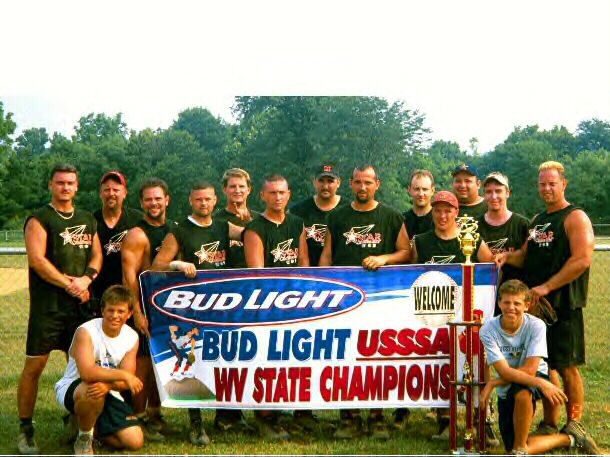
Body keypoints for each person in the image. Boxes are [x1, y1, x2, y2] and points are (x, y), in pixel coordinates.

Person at [496, 161, 597, 445]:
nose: (547, 188)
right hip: (537, 307)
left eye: (552, 183)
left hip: (562, 304)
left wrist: (548, 286)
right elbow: (525, 256)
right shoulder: (538, 220)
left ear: (564, 184)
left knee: (567, 366)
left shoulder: (575, 216)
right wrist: (507, 257)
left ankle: (575, 423)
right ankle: (551, 423)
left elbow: (582, 259)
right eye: (542, 184)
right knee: (547, 364)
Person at [152, 181, 250, 442]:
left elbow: (251, 235)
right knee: (192, 362)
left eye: (207, 199)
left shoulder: (222, 226)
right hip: (192, 307)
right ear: (191, 201)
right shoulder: (180, 230)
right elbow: (157, 265)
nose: (203, 203)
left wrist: (249, 220)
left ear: (215, 200)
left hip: (222, 305)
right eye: (198, 199)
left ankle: (227, 416)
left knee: (224, 358)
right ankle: (195, 423)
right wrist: (177, 264)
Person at [319, 164, 410, 440]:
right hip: (344, 298)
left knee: (377, 356)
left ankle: (377, 416)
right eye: (358, 182)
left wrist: (384, 258)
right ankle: (349, 416)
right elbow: (327, 255)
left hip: (380, 298)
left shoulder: (391, 216)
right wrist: (322, 285)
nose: (362, 187)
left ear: (377, 184)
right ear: (350, 183)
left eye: (368, 182)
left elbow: (406, 251)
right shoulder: (338, 216)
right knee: (345, 356)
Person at [17, 163, 103, 455]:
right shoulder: (40, 218)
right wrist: (70, 285)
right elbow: (37, 260)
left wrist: (87, 279)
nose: (65, 187)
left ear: (77, 186)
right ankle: (26, 429)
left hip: (79, 308)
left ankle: (76, 421)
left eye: (70, 183)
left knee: (80, 364)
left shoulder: (86, 218)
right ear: (51, 185)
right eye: (60, 182)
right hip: (49, 307)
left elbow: (97, 255)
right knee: (34, 367)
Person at [479, 279, 599, 455]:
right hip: (511, 381)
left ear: (527, 306)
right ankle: (570, 438)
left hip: (535, 374)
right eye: (506, 302)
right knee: (511, 444)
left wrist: (494, 383)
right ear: (499, 303)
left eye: (517, 303)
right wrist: (497, 383)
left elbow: (530, 370)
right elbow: (504, 371)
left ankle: (520, 451)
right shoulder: (488, 330)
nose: (511, 307)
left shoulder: (536, 325)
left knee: (522, 392)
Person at [411, 190, 493, 440]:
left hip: (469, 311)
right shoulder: (421, 241)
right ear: (432, 213)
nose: (442, 215)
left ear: (457, 212)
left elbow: (490, 270)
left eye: (448, 210)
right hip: (435, 312)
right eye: (438, 210)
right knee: (441, 362)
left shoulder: (472, 239)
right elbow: (412, 275)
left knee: (477, 361)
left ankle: (482, 417)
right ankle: (445, 419)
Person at [243, 174, 309, 440]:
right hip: (267, 304)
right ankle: (264, 417)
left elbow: (304, 263)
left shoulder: (297, 224)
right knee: (266, 361)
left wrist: (301, 296)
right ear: (262, 195)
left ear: (289, 194)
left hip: (295, 301)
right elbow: (257, 274)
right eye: (272, 193)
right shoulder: (255, 229)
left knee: (289, 361)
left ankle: (284, 414)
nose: (278, 197)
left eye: (282, 192)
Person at [54, 285, 144, 455]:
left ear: (130, 313)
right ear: (102, 310)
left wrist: (108, 386)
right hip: (76, 387)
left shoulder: (132, 337)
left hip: (108, 390)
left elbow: (127, 382)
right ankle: (84, 439)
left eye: (121, 311)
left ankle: (86, 426)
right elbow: (87, 373)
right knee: (92, 389)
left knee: (134, 441)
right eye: (110, 310)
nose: (115, 315)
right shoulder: (85, 332)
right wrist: (123, 375)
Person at [121, 178, 173, 442]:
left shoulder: (174, 230)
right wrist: (137, 312)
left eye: (158, 198)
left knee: (159, 365)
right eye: (148, 199)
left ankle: (154, 414)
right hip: (144, 308)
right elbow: (129, 277)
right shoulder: (136, 235)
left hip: (167, 308)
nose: (154, 203)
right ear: (141, 203)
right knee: (141, 366)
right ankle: (136, 417)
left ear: (167, 200)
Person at [393, 169, 436, 429]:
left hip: (434, 290)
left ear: (432, 191)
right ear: (409, 190)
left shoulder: (441, 216)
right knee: (404, 346)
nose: (420, 193)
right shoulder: (401, 219)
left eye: (425, 189)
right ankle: (402, 406)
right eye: (416, 188)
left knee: (435, 345)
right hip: (405, 290)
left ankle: (438, 406)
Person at [478, 172, 529, 310]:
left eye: (498, 191)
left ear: (508, 193)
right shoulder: (474, 226)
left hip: (515, 302)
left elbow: (528, 260)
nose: (493, 196)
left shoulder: (523, 225)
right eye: (489, 192)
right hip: (483, 300)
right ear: (484, 195)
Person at [92, 171, 142, 302]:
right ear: (100, 193)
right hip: (98, 293)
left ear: (124, 193)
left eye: (116, 190)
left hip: (130, 292)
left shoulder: (138, 219)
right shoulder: (91, 221)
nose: (111, 194)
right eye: (106, 190)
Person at [290, 164, 347, 267]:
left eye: (330, 181)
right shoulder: (298, 210)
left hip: (340, 271)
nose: (325, 186)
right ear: (314, 182)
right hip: (307, 271)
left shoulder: (348, 209)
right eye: (321, 181)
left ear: (338, 183)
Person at [214, 168, 260, 268]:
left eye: (241, 186)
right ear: (224, 190)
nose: (237, 190)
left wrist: (250, 223)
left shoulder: (260, 219)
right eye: (232, 186)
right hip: (226, 275)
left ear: (249, 190)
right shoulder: (214, 221)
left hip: (254, 274)